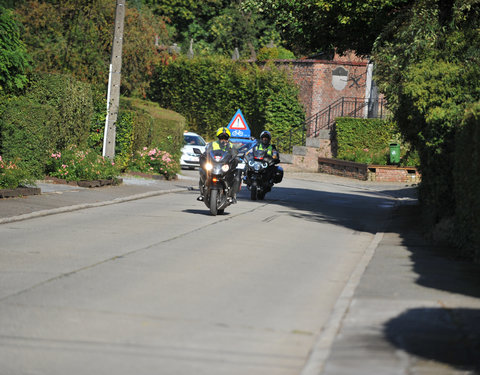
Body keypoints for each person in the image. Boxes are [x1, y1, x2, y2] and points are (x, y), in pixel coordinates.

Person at [198, 127, 241, 203]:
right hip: (214, 165)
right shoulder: (212, 144)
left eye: (225, 137)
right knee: (202, 171)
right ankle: (202, 192)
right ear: (218, 137)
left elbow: (235, 155)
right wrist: (202, 155)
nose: (223, 139)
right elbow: (206, 152)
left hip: (225, 166)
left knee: (236, 176)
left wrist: (237, 158)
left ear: (228, 138)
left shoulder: (231, 146)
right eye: (221, 137)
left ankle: (231, 195)